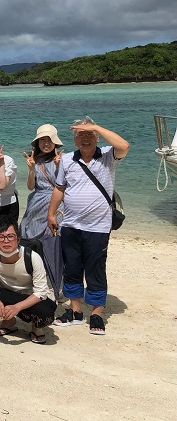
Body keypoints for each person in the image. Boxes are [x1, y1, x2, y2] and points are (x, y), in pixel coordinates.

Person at [48, 117, 129, 336]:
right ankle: (75, 311)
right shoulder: (66, 160)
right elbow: (59, 188)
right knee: (72, 267)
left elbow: (124, 146)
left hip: (99, 226)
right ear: (74, 140)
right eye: (81, 135)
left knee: (95, 269)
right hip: (72, 224)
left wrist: (96, 127)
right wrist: (51, 213)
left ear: (97, 137)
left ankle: (96, 313)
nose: (85, 139)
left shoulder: (107, 156)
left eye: (90, 135)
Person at [0, 217, 56, 344]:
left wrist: (17, 307)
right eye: (1, 237)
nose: (6, 241)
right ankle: (8, 321)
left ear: (18, 239)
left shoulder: (32, 257)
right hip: (4, 293)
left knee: (45, 311)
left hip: (29, 296)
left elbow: (41, 292)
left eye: (10, 236)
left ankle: (36, 327)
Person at [19, 124, 64, 298]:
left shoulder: (62, 159)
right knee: (31, 239)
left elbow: (66, 185)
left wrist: (60, 167)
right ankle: (35, 281)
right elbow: (31, 186)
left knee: (53, 242)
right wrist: (30, 169)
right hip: (36, 205)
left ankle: (55, 284)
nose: (46, 143)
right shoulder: (35, 161)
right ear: (37, 143)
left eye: (50, 140)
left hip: (57, 204)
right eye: (42, 140)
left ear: (55, 142)